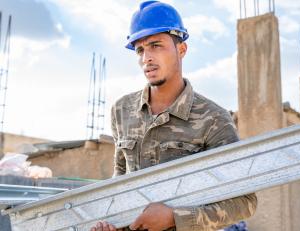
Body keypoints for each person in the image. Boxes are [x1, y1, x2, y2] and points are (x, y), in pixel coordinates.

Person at [91, 1, 257, 231]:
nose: (146, 58)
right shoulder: (121, 110)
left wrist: (175, 218)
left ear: (181, 49)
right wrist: (110, 222)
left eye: (156, 45)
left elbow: (244, 203)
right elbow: (120, 178)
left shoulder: (214, 119)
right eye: (140, 50)